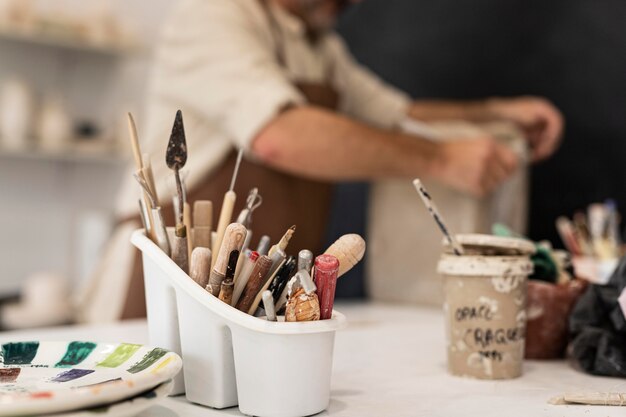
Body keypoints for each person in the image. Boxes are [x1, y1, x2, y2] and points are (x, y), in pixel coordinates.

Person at [112, 0, 563, 316]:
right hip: (174, 284)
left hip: (265, 292)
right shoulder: (212, 16)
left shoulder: (320, 50)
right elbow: (280, 136)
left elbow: (398, 114)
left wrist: (494, 112)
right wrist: (443, 159)